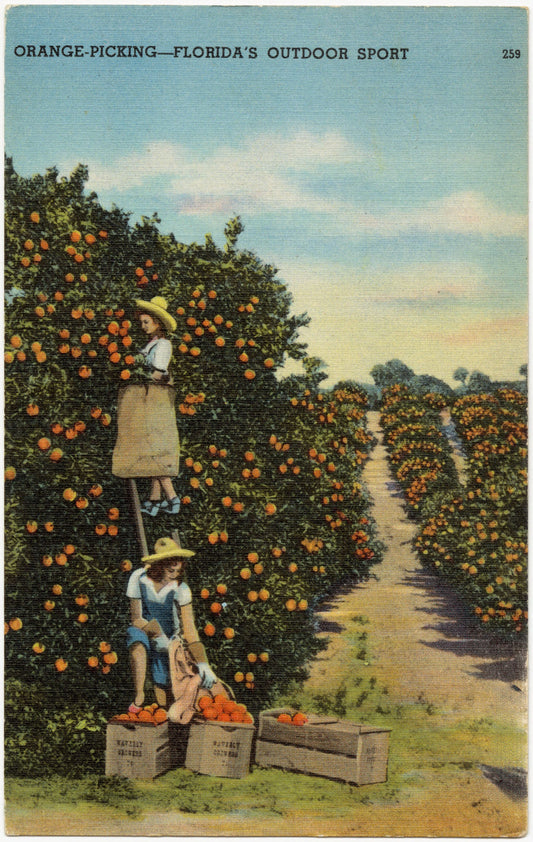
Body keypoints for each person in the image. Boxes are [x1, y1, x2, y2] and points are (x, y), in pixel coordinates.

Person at [126, 536, 217, 713]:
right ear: (159, 566)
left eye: (178, 571)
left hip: (169, 642)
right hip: (145, 631)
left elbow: (189, 629)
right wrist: (156, 633)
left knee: (164, 697)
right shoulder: (138, 578)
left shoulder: (181, 590)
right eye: (170, 570)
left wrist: (203, 663)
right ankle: (139, 695)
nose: (174, 575)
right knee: (135, 637)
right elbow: (136, 618)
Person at [112, 295, 181, 515]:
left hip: (155, 401)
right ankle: (154, 500)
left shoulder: (164, 345)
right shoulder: (151, 344)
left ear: (158, 323)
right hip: (147, 399)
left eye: (146, 322)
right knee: (150, 447)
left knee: (154, 447)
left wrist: (138, 376)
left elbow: (159, 373)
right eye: (141, 322)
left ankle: (173, 498)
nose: (143, 326)